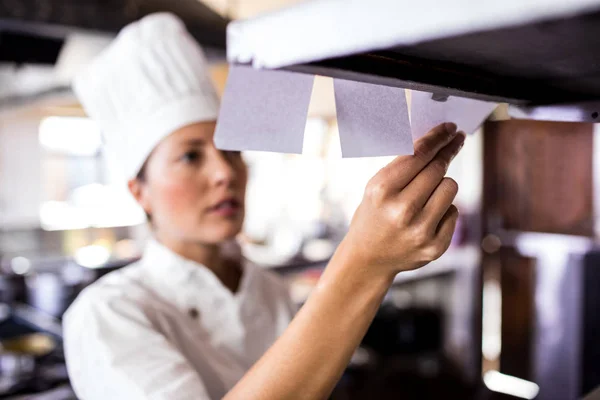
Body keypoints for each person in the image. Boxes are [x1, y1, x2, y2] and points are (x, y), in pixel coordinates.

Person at [63, 12, 465, 400]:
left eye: (232, 151)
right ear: (140, 192)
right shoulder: (107, 315)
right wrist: (365, 262)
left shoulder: (267, 290)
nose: (225, 172)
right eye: (191, 156)